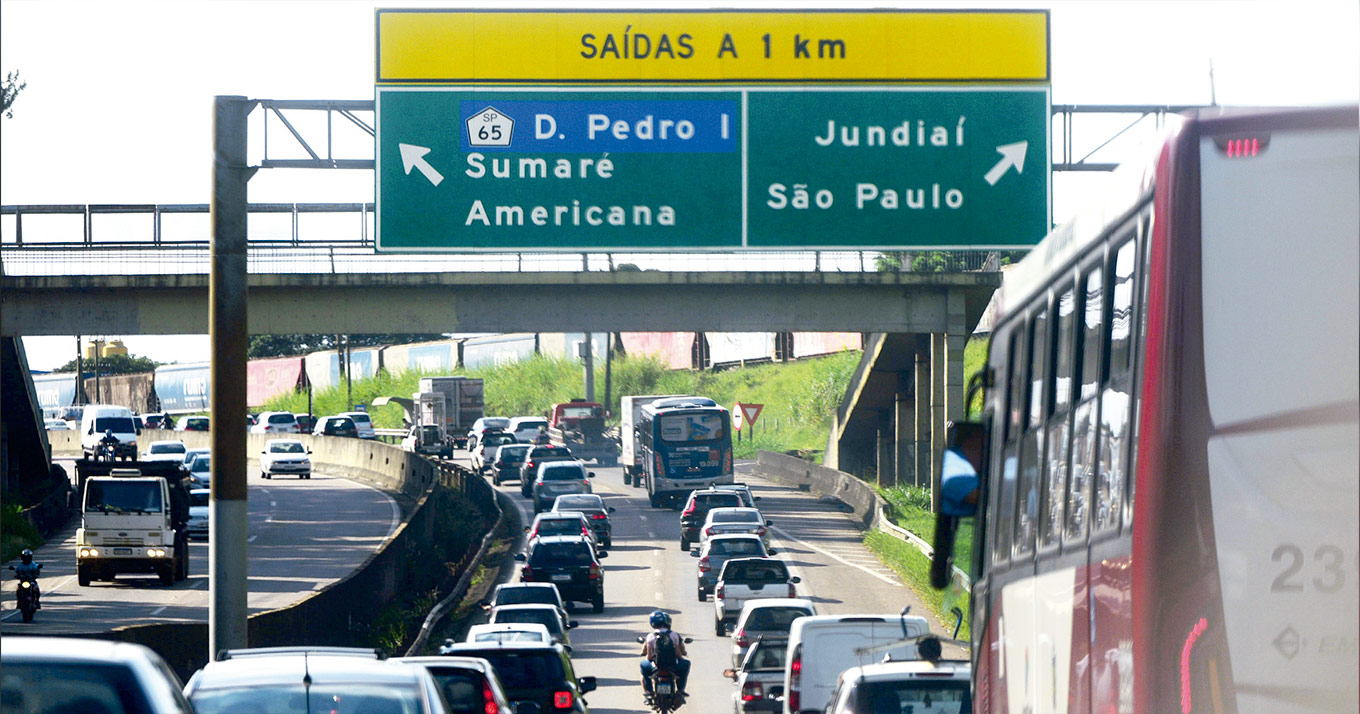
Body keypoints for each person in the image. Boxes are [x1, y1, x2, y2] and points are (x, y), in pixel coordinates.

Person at [640, 610, 690, 700]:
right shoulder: (673, 634)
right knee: (686, 664)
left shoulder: (651, 636)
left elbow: (649, 657)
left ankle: (649, 692)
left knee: (643, 666)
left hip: (656, 666)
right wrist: (681, 660)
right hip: (672, 665)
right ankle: (680, 690)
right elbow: (678, 654)